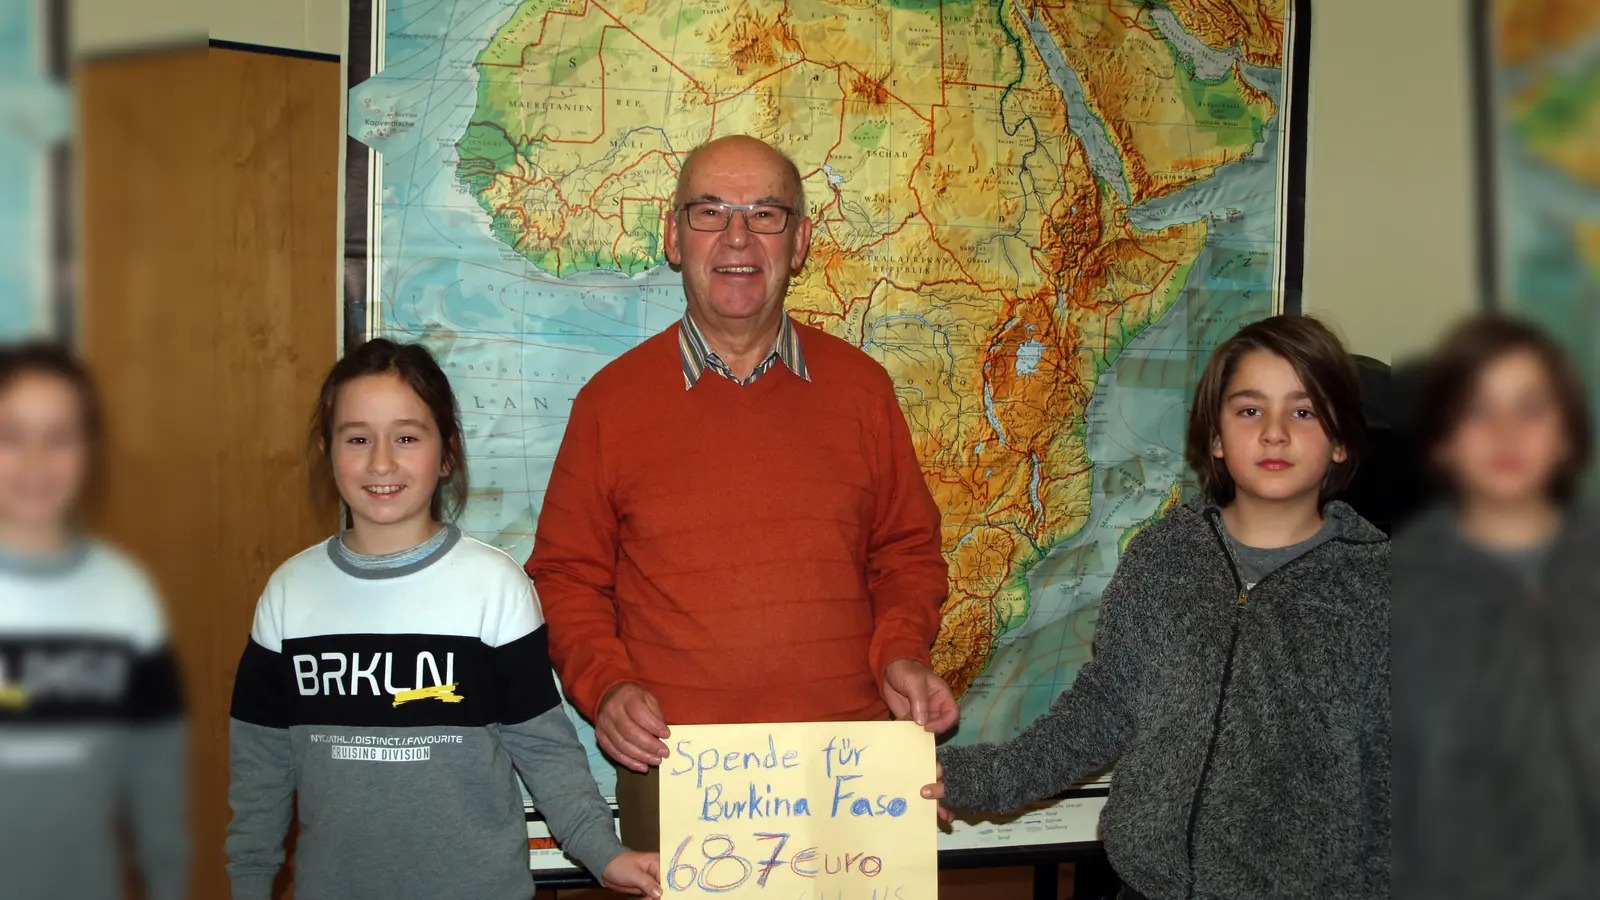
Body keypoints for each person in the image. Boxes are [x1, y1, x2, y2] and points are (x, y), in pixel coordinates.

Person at [526, 134, 957, 849]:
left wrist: (902, 652)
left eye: (765, 214)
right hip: (681, 775)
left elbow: (907, 553)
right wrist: (606, 686)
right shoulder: (610, 403)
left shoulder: (863, 391)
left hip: (847, 775)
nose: (736, 237)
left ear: (801, 241)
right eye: (709, 212)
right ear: (673, 236)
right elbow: (566, 575)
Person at [924, 316, 1390, 900]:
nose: (1274, 433)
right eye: (1249, 410)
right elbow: (1104, 705)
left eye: (1304, 411)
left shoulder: (1381, 591)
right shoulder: (1164, 555)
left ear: (1341, 438)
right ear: (1215, 438)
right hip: (1147, 888)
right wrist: (976, 778)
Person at [224, 339, 660, 900]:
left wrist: (606, 854)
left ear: (447, 452)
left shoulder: (494, 587)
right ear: (326, 450)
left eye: (407, 437)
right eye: (358, 438)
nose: (381, 462)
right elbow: (260, 777)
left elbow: (546, 752)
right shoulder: (287, 596)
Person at [1392, 315, 1599, 899]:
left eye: (1531, 409)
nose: (1506, 433)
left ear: (1566, 435)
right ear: (1441, 441)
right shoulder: (1392, 589)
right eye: (1479, 411)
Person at [0, 341, 190, 900]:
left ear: (89, 450)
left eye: (59, 438)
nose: (36, 462)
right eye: (11, 436)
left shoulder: (125, 597)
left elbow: (156, 781)